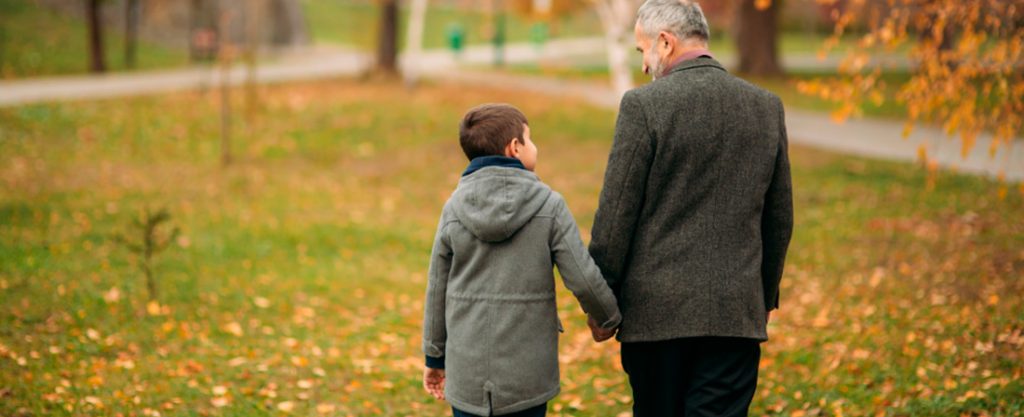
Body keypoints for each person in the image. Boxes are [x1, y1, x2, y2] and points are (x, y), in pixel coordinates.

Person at [586, 1, 794, 416]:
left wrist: (600, 305)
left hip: (656, 319)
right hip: (736, 316)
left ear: (665, 42)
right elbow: (779, 218)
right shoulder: (766, 106)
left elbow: (615, 217)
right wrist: (762, 299)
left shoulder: (643, 107)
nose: (644, 65)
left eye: (642, 50)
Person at [422, 103, 622, 417]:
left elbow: (437, 288)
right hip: (527, 375)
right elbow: (582, 276)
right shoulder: (548, 204)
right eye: (530, 139)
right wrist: (607, 318)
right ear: (515, 148)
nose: (535, 146)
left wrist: (434, 359)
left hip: (468, 373)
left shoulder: (454, 208)